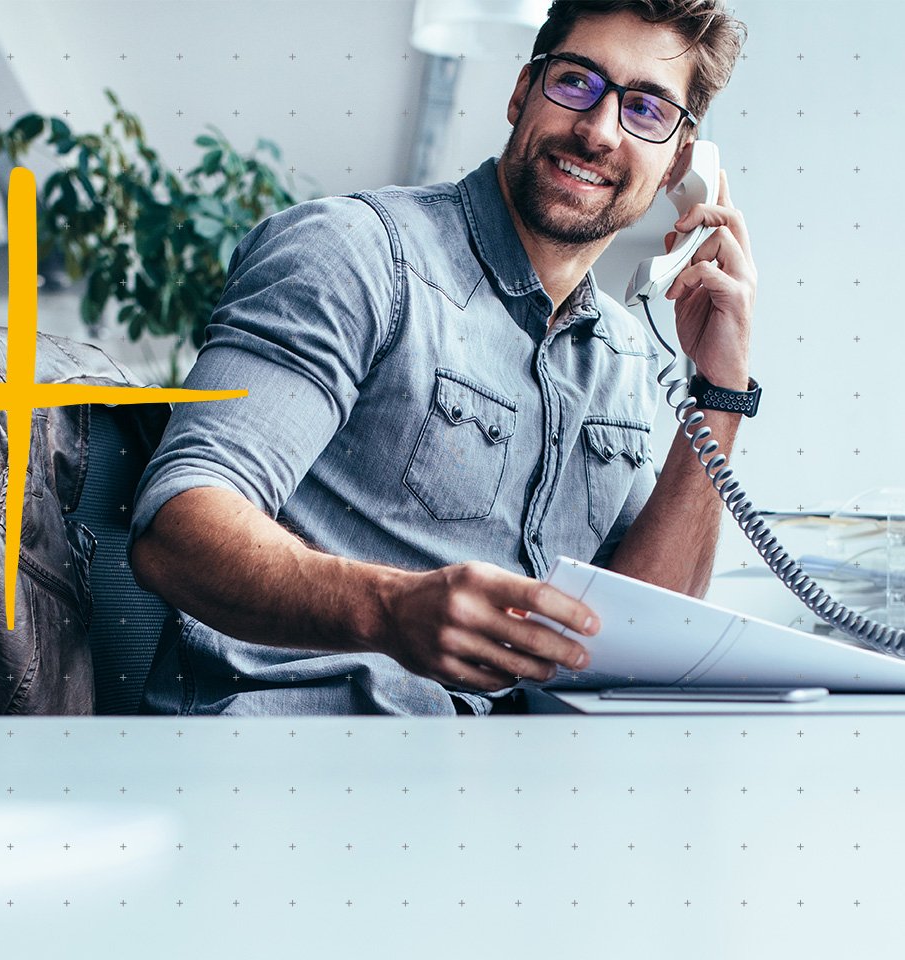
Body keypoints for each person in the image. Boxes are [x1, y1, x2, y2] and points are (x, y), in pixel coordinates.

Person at [129, 0, 754, 715]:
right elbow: (178, 526)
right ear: (522, 91)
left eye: (645, 110)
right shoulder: (354, 253)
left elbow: (641, 631)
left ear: (680, 161)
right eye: (576, 82)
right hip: (293, 764)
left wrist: (720, 388)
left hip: (503, 792)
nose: (598, 130)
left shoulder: (623, 357)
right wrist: (390, 611)